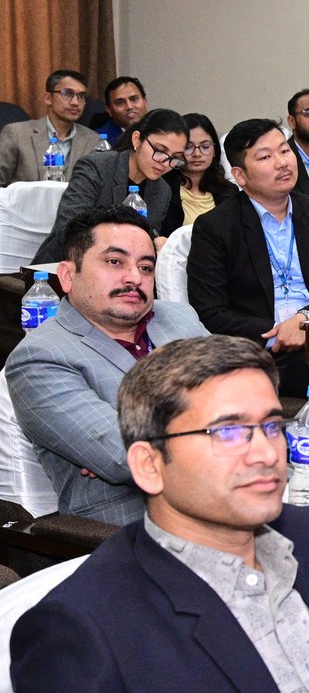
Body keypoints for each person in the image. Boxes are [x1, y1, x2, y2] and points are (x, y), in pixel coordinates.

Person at [11, 335, 309, 693]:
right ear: (150, 465)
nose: (266, 453)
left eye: (272, 426)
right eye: (228, 432)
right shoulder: (79, 632)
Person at [6, 206, 207, 524]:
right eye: (115, 262)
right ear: (68, 275)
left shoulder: (179, 318)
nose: (134, 278)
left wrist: (146, 430)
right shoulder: (40, 357)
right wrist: (223, 425)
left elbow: (252, 395)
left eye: (146, 267)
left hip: (233, 498)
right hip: (133, 525)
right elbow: (127, 457)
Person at [187, 118, 309, 397]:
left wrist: (305, 320)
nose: (282, 163)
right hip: (269, 350)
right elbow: (210, 311)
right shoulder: (216, 227)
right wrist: (280, 332)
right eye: (265, 157)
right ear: (240, 176)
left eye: (285, 151)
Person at [34, 108, 189, 263]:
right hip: (65, 264)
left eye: (175, 157)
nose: (165, 163)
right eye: (160, 150)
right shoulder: (96, 167)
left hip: (122, 269)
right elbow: (70, 227)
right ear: (137, 139)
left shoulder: (162, 190)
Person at [0, 67, 100, 184]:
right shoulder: (16, 134)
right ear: (48, 98)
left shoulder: (94, 141)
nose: (75, 102)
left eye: (81, 96)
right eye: (67, 93)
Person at [160, 112, 236, 232]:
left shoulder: (228, 191)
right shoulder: (162, 188)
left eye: (205, 146)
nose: (197, 154)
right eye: (188, 147)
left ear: (215, 150)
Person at [94, 75, 148, 146]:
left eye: (134, 99)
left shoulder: (160, 131)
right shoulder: (97, 139)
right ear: (109, 110)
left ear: (145, 102)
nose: (129, 107)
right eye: (120, 103)